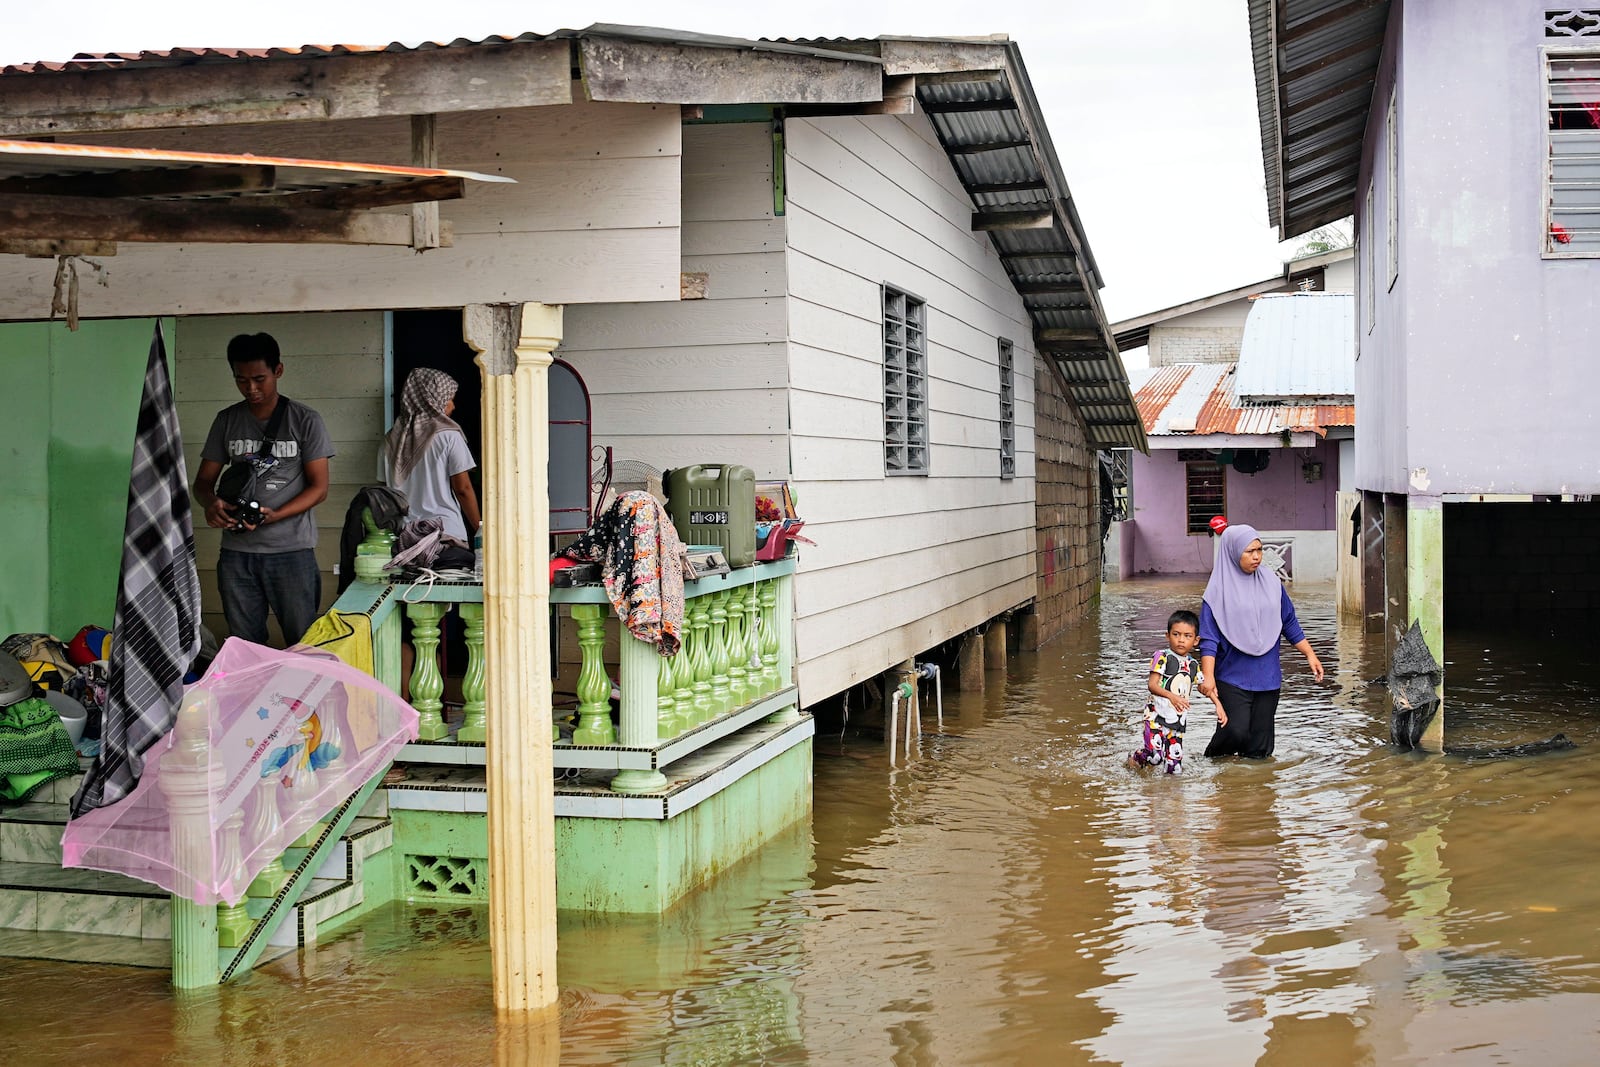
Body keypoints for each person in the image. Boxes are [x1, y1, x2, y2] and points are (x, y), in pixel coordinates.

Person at [194, 333, 334, 647]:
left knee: (302, 641)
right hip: (236, 555)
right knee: (244, 644)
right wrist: (210, 503)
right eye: (241, 380)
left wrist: (276, 515)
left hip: (291, 553)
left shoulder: (305, 420)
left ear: (278, 371)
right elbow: (203, 482)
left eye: (259, 379)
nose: (251, 389)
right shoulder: (227, 420)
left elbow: (320, 487)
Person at [1197, 524, 1324, 759]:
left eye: (1259, 549)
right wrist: (1209, 675)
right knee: (1235, 730)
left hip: (1268, 677)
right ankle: (1214, 771)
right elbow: (1209, 639)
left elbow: (1288, 621)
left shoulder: (1271, 583)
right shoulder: (1217, 592)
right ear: (1232, 552)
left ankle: (1256, 790)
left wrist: (1309, 654)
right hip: (1232, 677)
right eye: (1249, 551)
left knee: (1260, 746)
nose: (1256, 556)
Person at [382, 367, 480, 542]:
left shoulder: (390, 441)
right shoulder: (449, 436)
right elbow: (463, 489)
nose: (453, 406)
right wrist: (480, 529)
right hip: (445, 534)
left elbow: (384, 493)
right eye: (450, 399)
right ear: (435, 399)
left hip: (403, 538)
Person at [1128, 609, 1227, 774]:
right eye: (1176, 634)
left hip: (1177, 721)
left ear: (1196, 640)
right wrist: (1171, 696)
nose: (1181, 640)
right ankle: (1136, 758)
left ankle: (1172, 797)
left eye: (1187, 636)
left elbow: (1204, 687)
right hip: (1155, 716)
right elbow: (1152, 685)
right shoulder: (1162, 657)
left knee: (1174, 768)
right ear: (1168, 636)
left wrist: (1218, 705)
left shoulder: (1193, 665)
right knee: (1155, 756)